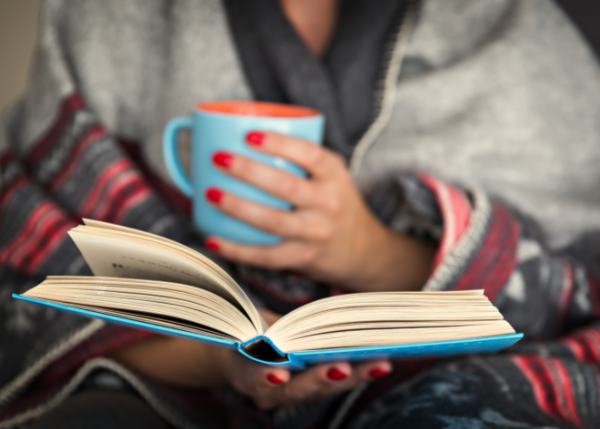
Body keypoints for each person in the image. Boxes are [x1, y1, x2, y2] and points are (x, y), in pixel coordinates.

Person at [1, 0, 600, 427]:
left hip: (465, 373)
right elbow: (33, 269)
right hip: (170, 382)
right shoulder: (104, 18)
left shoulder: (529, 29)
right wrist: (218, 354)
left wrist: (370, 250)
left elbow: (582, 287)